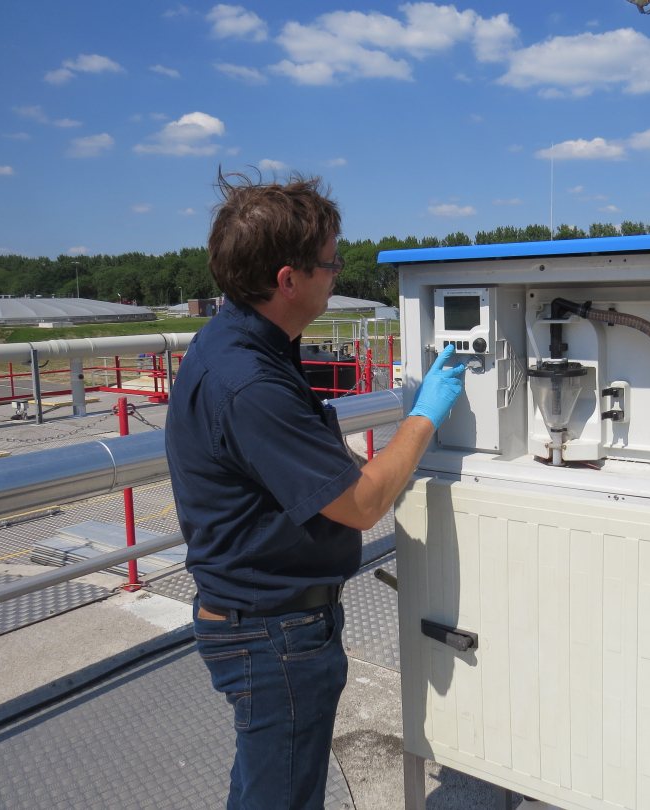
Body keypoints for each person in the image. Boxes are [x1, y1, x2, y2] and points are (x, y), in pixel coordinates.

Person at [164, 171, 465, 810]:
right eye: (330, 265)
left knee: (264, 786)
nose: (336, 277)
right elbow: (361, 505)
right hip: (273, 636)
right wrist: (425, 416)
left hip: (260, 621)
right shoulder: (250, 383)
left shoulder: (244, 346)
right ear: (288, 280)